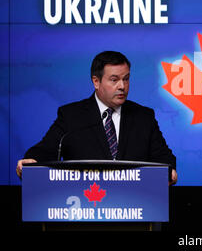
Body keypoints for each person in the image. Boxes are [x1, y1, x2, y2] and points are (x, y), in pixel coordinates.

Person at [16, 51, 178, 184]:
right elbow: (45, 150)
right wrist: (31, 161)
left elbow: (163, 157)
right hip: (84, 204)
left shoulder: (144, 117)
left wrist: (169, 170)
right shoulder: (71, 115)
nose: (122, 86)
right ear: (96, 81)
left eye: (126, 79)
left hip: (135, 207)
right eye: (114, 80)